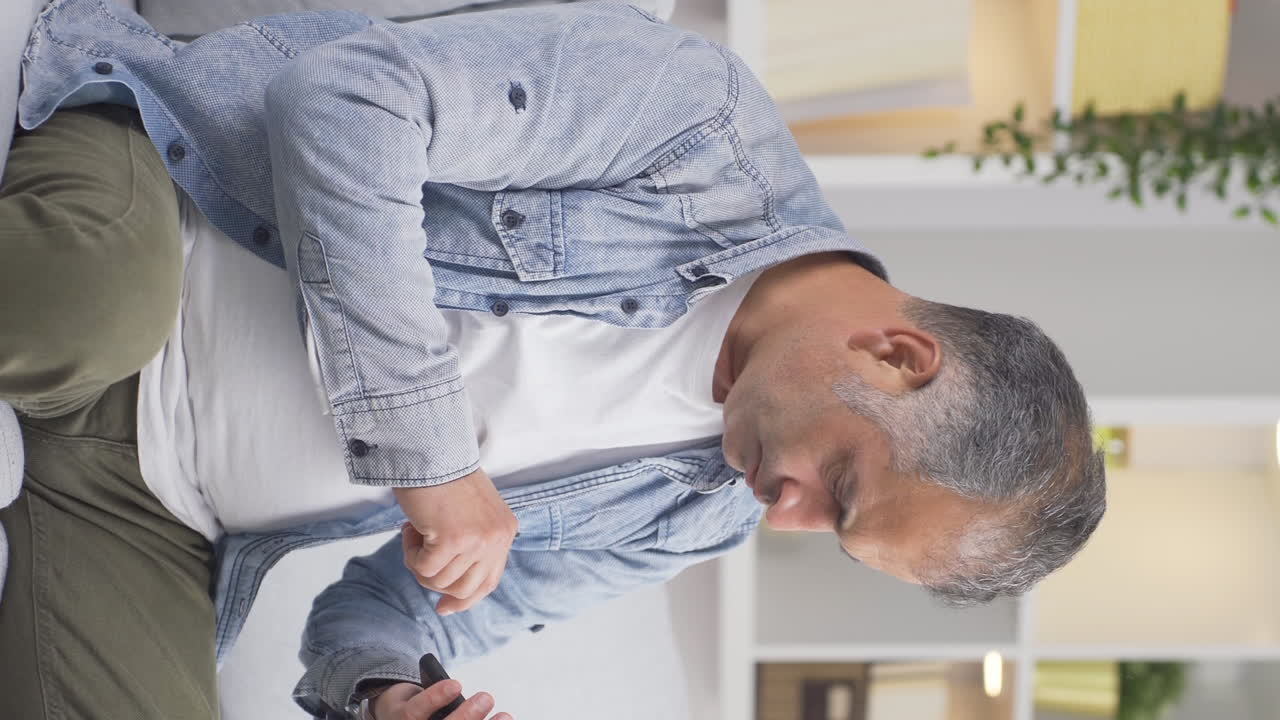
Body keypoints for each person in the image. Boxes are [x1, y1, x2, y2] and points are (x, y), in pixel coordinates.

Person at [0, 1, 1107, 718]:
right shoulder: (693, 128)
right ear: (897, 354)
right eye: (842, 487)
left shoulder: (695, 514)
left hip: (150, 514)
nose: (781, 515)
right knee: (90, 307)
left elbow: (400, 607)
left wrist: (392, 691)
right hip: (165, 208)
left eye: (830, 534)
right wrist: (431, 461)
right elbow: (344, 102)